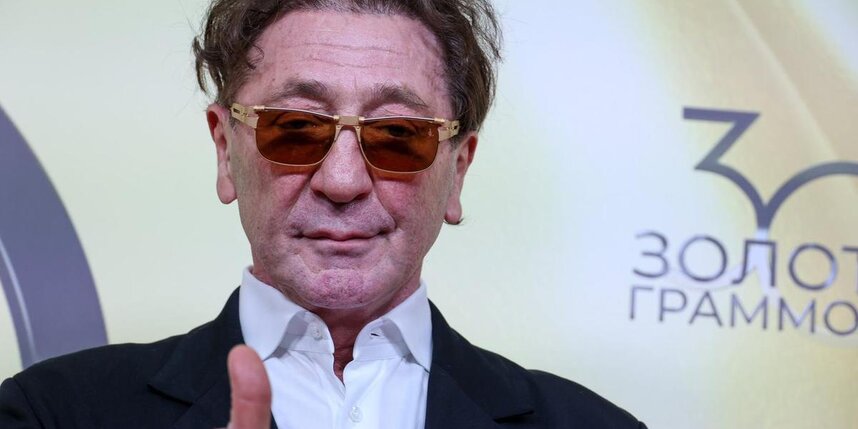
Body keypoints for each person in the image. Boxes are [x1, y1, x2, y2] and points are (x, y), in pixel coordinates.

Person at [0, 1, 647, 428]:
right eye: (295, 127)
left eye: (398, 135)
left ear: (458, 171)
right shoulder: (52, 413)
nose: (342, 181)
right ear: (225, 151)